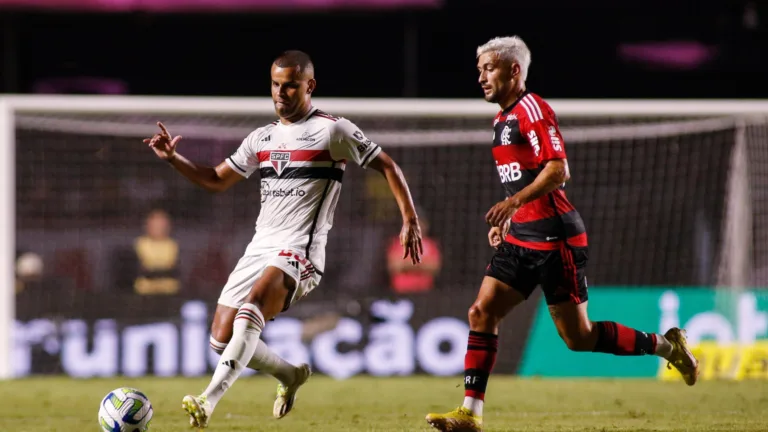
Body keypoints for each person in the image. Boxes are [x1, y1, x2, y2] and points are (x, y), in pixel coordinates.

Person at [425, 36, 699, 432]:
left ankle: (666, 346)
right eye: (479, 69)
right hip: (521, 238)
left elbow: (558, 170)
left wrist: (514, 203)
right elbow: (522, 178)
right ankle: (470, 413)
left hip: (556, 240)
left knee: (579, 337)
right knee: (481, 312)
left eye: (489, 68)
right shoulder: (501, 119)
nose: (481, 77)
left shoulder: (533, 110)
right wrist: (508, 218)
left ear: (513, 70)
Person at [143, 50, 423, 429]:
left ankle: (207, 401)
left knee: (253, 307)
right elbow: (214, 180)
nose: (281, 92)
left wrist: (408, 218)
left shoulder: (333, 130)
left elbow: (386, 164)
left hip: (301, 249)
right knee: (221, 340)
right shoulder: (262, 138)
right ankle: (290, 375)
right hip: (259, 246)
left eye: (290, 84)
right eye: (276, 84)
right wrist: (174, 159)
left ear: (310, 86)